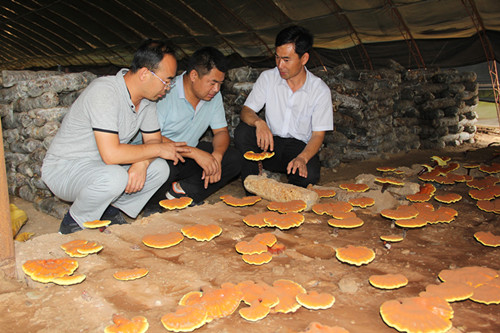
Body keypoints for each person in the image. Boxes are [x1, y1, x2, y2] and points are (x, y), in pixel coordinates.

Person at [41, 40, 190, 234]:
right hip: (65, 169)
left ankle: (110, 211)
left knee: (159, 168)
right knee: (115, 177)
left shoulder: (147, 102)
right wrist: (158, 149)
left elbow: (153, 141)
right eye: (166, 80)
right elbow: (111, 155)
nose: (168, 87)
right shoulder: (105, 91)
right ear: (145, 74)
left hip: (100, 168)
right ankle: (74, 222)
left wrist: (142, 164)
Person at [141, 46, 240, 215]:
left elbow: (221, 132)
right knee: (161, 168)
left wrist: (217, 155)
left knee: (234, 159)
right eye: (213, 83)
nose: (216, 89)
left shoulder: (213, 96)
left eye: (220, 84)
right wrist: (194, 153)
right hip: (162, 155)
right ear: (194, 75)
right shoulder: (165, 91)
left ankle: (179, 192)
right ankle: (155, 204)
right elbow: (153, 138)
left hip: (187, 157)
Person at [234, 25, 333, 189]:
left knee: (310, 175)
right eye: (277, 58)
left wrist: (302, 158)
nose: (280, 65)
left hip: (297, 148)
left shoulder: (319, 90)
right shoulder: (268, 78)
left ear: (304, 59)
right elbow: (247, 111)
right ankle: (253, 186)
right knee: (243, 132)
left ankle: (290, 191)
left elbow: (318, 135)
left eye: (286, 60)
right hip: (269, 145)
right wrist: (259, 123)